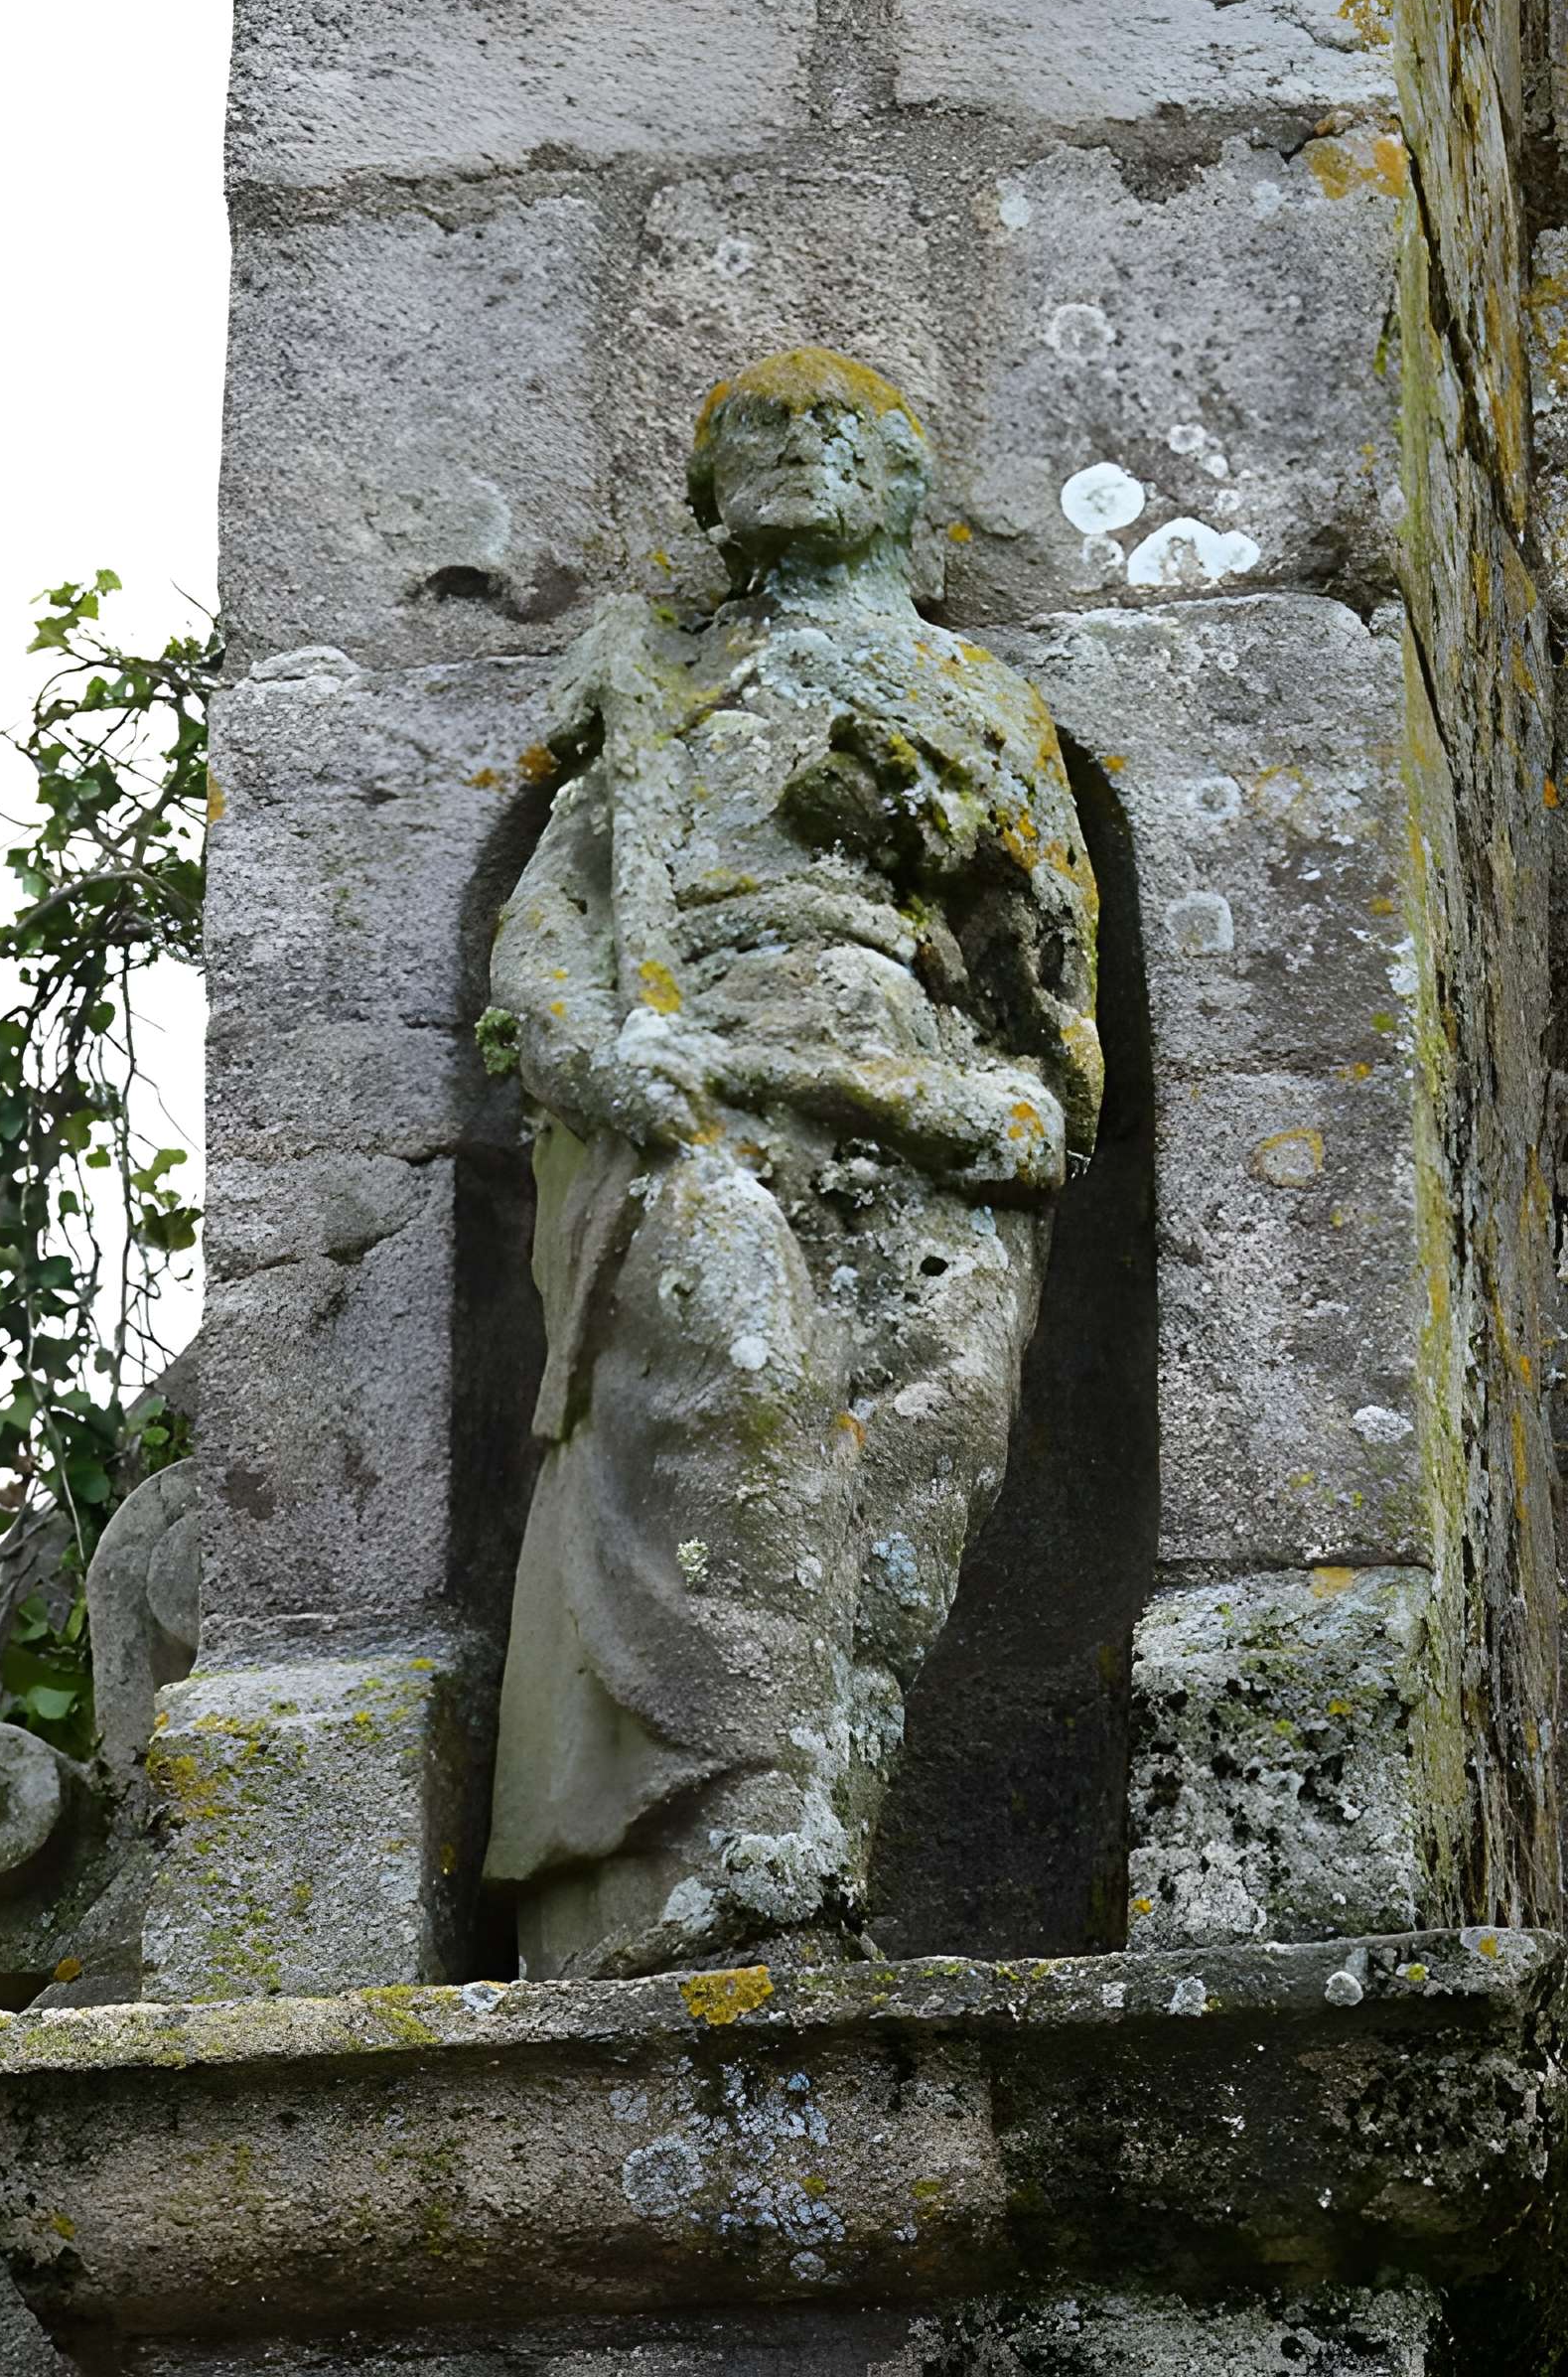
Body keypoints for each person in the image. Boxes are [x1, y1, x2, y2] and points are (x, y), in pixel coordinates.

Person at [481, 347, 1102, 1980]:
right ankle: (706, 1848)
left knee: (909, 1470)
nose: (797, 444)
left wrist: (950, 845)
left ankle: (819, 1857)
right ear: (707, 496)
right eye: (754, 428)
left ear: (913, 496)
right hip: (694, 1108)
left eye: (845, 425)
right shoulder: (655, 686)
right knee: (725, 1390)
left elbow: (1046, 999)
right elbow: (550, 928)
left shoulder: (983, 706)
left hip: (922, 1119)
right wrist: (600, 1050)